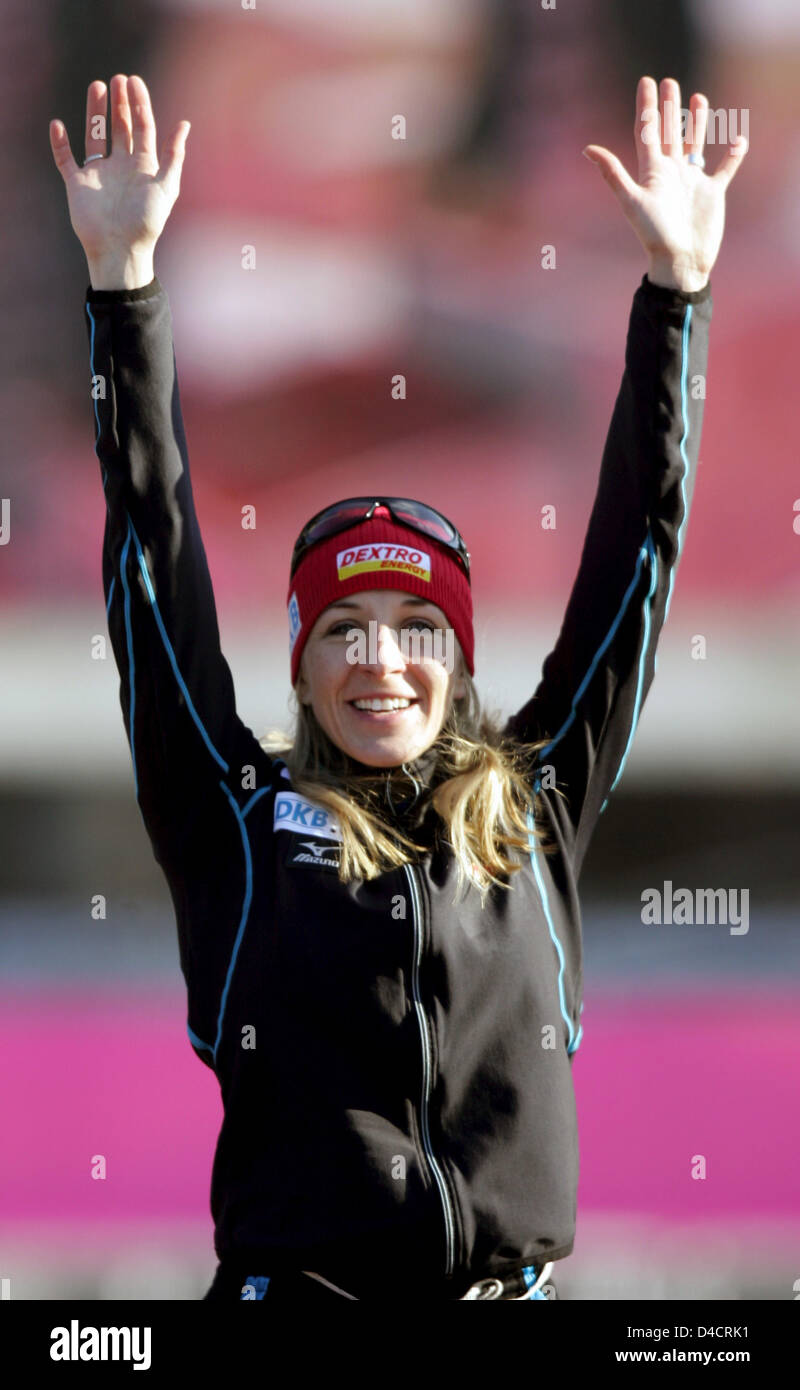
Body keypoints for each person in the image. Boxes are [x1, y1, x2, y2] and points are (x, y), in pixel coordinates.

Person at [50, 73, 746, 1302]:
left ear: (460, 660)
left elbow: (639, 546)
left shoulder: (534, 805)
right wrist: (125, 289)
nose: (381, 659)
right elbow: (152, 548)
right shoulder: (236, 821)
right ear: (302, 667)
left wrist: (674, 296)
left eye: (419, 627)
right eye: (346, 630)